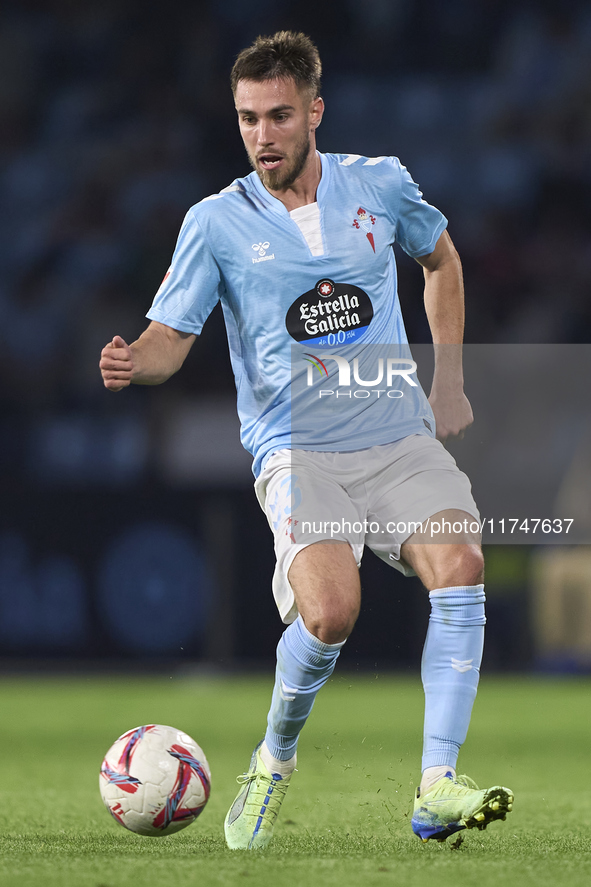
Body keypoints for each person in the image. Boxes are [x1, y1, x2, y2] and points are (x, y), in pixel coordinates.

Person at [99, 31, 514, 850]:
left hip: (396, 434)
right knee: (329, 613)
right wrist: (131, 361)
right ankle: (272, 760)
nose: (262, 134)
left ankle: (435, 786)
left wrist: (449, 380)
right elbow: (169, 336)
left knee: (461, 563)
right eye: (248, 118)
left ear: (314, 112)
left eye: (279, 115)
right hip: (297, 450)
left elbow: (440, 260)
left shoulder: (380, 184)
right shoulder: (214, 222)